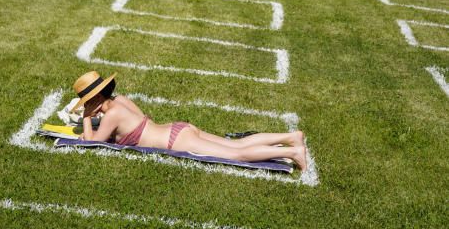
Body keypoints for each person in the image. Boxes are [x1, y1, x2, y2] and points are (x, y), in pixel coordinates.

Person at [71, 71, 307, 171]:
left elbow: (93, 145)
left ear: (94, 99)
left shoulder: (110, 115)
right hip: (177, 129)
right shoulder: (121, 100)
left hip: (176, 142)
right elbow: (140, 121)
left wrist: (87, 119)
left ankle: (294, 152)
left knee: (237, 154)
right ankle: (291, 137)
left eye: (87, 102)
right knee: (237, 145)